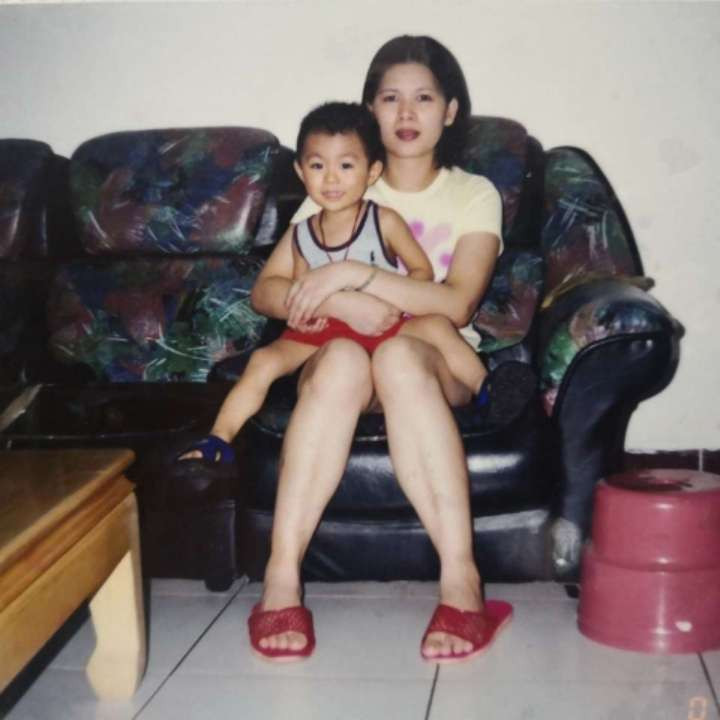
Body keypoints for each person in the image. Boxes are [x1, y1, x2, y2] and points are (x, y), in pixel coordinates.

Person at [248, 35, 531, 664]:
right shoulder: (338, 183)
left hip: (430, 359)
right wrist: (341, 304)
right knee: (345, 361)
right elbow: (265, 292)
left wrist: (354, 276)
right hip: (344, 354)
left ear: (449, 111)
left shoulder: (473, 193)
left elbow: (457, 303)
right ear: (369, 109)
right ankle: (280, 580)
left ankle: (462, 583)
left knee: (398, 357)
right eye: (389, 98)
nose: (406, 113)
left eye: (423, 98)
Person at [180, 102, 496, 464]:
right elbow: (291, 289)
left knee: (436, 325)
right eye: (318, 166)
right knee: (263, 360)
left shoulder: (384, 221)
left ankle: (488, 388)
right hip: (323, 335)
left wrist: (390, 302)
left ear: (372, 171)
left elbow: (421, 272)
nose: (331, 179)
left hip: (384, 324)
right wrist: (304, 313)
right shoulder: (299, 233)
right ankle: (218, 439)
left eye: (346, 166)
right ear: (300, 171)